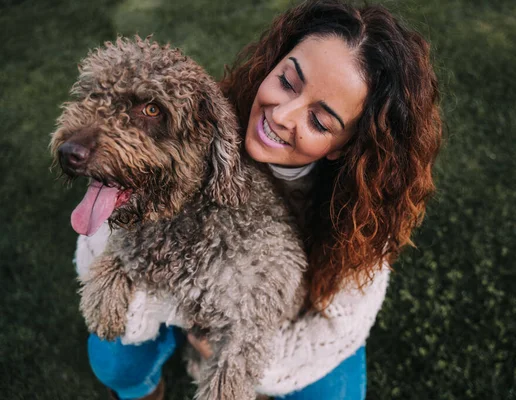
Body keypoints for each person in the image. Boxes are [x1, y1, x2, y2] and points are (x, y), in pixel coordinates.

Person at [76, 0, 443, 399]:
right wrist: (190, 317)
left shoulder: (360, 216)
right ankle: (145, 390)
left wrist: (239, 349)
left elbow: (340, 327)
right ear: (275, 61)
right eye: (287, 81)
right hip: (182, 288)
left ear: (346, 144)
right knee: (112, 355)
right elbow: (97, 248)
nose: (283, 115)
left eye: (320, 121)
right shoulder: (197, 119)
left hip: (280, 323)